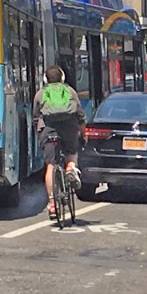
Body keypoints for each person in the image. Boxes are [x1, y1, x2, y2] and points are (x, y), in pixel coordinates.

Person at [33, 65, 86, 219]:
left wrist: (40, 134)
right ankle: (70, 168)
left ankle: (51, 204)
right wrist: (83, 133)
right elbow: (80, 115)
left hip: (49, 129)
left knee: (50, 165)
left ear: (45, 79)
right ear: (62, 78)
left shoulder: (41, 94)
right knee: (71, 153)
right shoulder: (70, 91)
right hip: (69, 128)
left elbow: (36, 117)